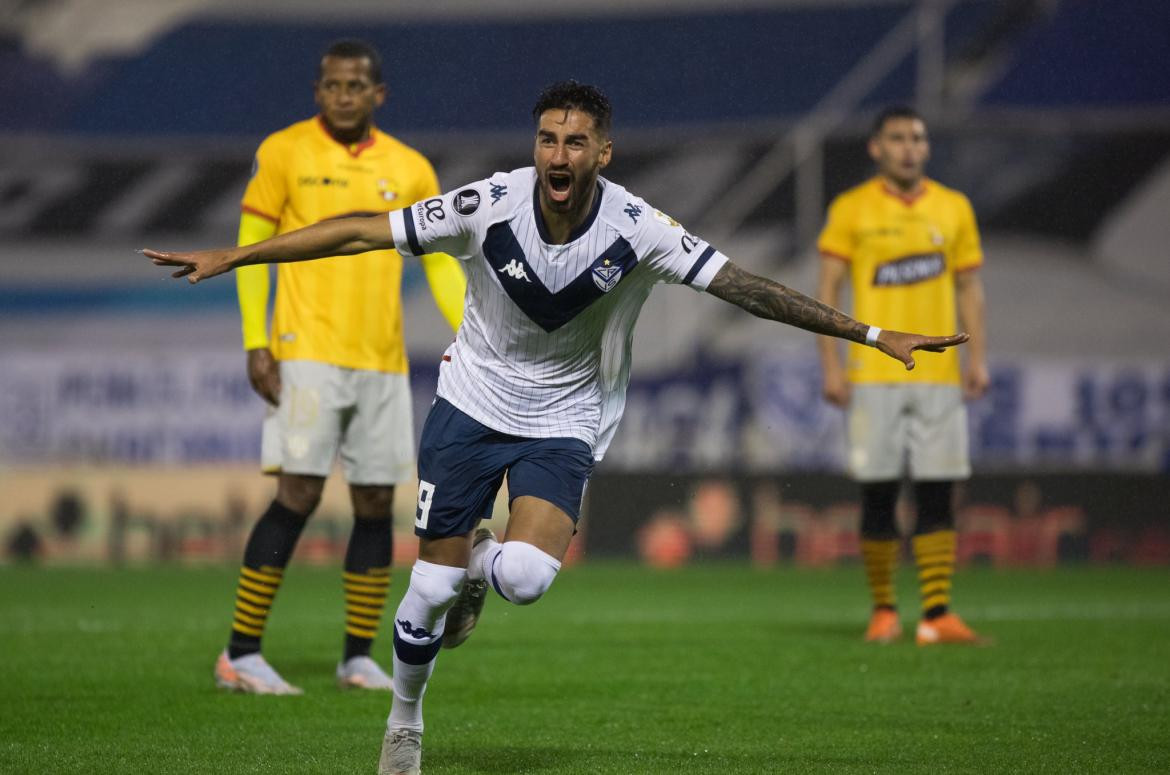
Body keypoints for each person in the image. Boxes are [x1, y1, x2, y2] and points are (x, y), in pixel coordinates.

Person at [145, 81, 966, 774]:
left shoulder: (638, 227)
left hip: (565, 416)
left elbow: (745, 287)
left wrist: (869, 334)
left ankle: (477, 566)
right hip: (471, 404)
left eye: (577, 142)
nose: (559, 155)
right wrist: (235, 256)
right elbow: (363, 228)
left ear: (603, 153)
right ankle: (405, 718)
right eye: (547, 139)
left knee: (530, 578)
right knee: (427, 589)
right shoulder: (488, 204)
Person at [213, 39, 466, 695]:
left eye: (355, 86)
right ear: (317, 90)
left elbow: (438, 259)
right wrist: (255, 340)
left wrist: (471, 329)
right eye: (331, 85)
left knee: (377, 502)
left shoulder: (409, 168)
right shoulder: (284, 151)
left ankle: (356, 656)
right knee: (296, 492)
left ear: (378, 93)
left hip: (381, 359)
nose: (342, 95)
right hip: (305, 352)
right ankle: (240, 652)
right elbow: (252, 245)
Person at [815, 105, 989, 646]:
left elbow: (969, 288)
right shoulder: (851, 208)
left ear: (927, 147)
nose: (909, 147)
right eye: (898, 138)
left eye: (917, 138)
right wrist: (831, 366)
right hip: (873, 373)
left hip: (939, 375)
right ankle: (885, 610)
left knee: (939, 492)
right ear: (876, 147)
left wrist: (977, 357)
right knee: (879, 493)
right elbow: (827, 293)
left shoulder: (954, 207)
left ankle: (936, 615)